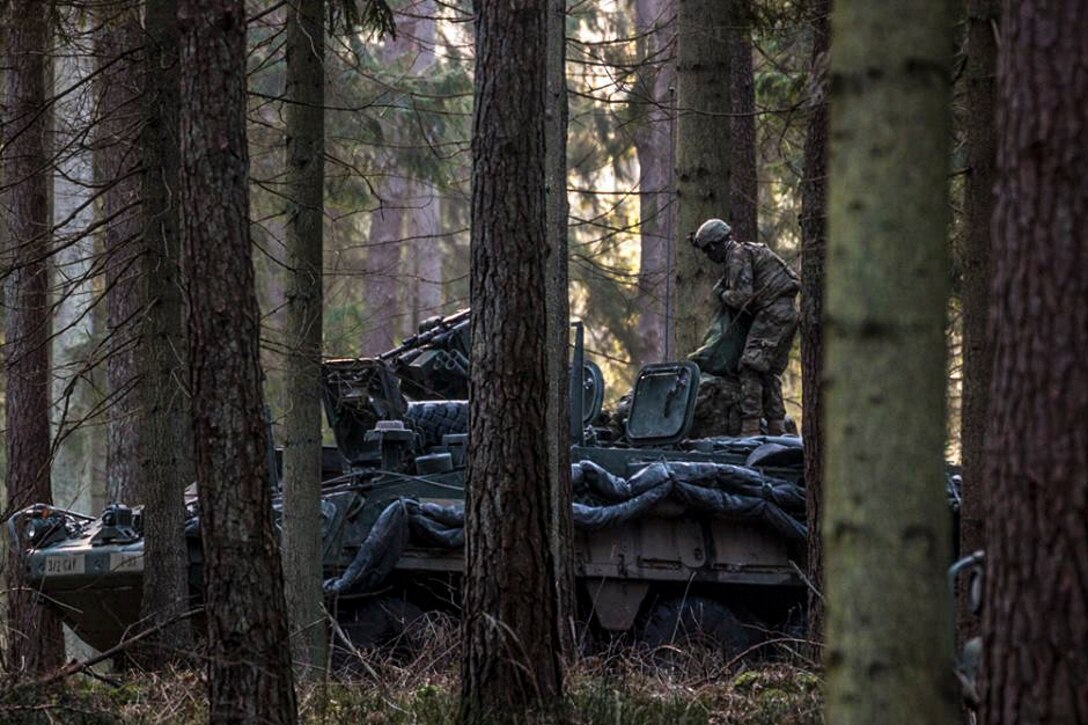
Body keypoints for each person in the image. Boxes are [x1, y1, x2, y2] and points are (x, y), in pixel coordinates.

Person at [689, 218, 800, 437]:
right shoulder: (744, 252)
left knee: (749, 366)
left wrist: (722, 293)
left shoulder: (737, 255)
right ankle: (776, 425)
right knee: (766, 370)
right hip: (783, 313)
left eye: (707, 251)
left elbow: (742, 297)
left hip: (773, 313)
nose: (709, 257)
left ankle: (749, 428)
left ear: (713, 245)